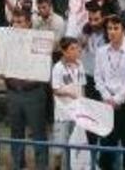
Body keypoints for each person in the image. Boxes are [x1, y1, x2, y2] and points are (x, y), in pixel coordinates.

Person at [95, 15, 125, 170]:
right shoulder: (101, 52)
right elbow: (98, 77)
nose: (112, 32)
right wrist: (107, 98)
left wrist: (118, 98)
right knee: (106, 142)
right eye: (109, 28)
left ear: (123, 31)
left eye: (116, 28)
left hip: (123, 102)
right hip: (106, 102)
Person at [5, 10, 48, 170]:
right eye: (14, 22)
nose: (16, 25)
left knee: (38, 133)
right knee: (15, 132)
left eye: (20, 21)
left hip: (33, 92)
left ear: (29, 23)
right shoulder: (6, 42)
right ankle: (18, 164)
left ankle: (42, 166)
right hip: (13, 92)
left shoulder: (39, 41)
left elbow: (44, 69)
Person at [51, 36, 85, 170]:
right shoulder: (57, 68)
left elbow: (82, 87)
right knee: (59, 149)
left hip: (77, 114)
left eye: (77, 48)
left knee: (75, 146)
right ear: (64, 51)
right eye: (72, 48)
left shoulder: (80, 65)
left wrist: (84, 105)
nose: (77, 51)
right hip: (62, 114)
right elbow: (55, 89)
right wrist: (69, 93)